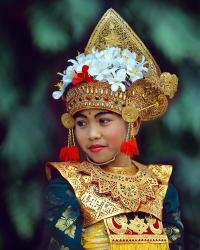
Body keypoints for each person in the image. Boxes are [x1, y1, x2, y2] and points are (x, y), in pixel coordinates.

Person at [41, 8, 184, 250]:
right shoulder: (68, 186)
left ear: (134, 124)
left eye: (104, 120)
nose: (92, 133)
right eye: (81, 123)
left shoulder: (161, 187)